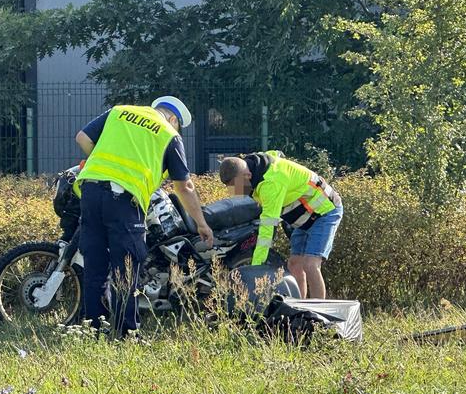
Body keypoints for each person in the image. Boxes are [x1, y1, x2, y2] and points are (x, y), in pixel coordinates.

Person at [75, 96, 214, 335]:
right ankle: (126, 333)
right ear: (173, 119)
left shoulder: (120, 112)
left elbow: (83, 138)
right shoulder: (168, 134)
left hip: (89, 190)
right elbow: (184, 186)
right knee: (127, 265)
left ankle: (94, 328)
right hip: (123, 200)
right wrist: (201, 223)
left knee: (95, 263)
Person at [218, 150, 342, 299]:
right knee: (295, 264)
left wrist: (256, 267)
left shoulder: (271, 183)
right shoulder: (257, 167)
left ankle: (318, 317)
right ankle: (299, 309)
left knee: (310, 265)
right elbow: (276, 155)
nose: (233, 192)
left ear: (247, 176)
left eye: (234, 186)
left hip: (325, 212)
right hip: (305, 219)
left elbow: (267, 227)